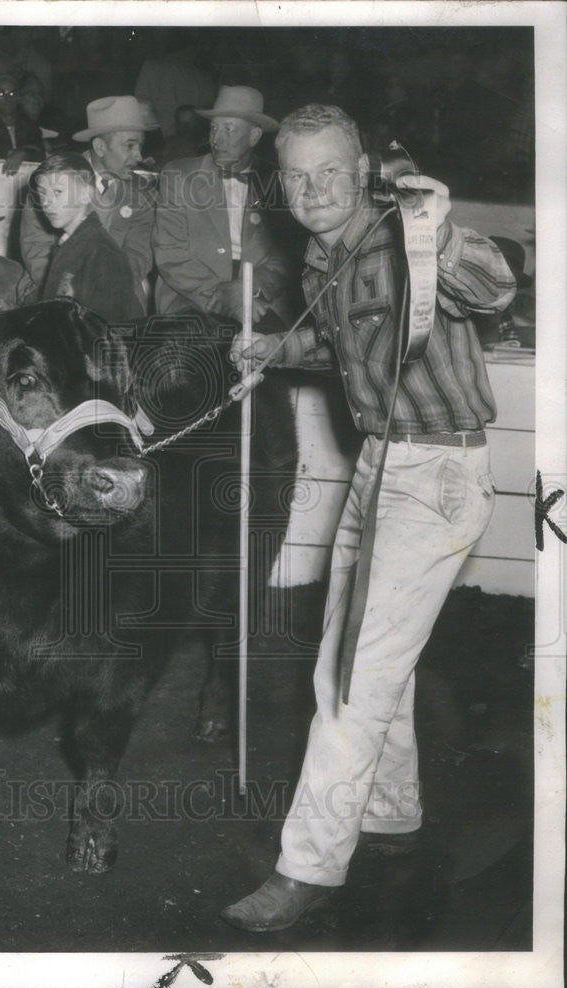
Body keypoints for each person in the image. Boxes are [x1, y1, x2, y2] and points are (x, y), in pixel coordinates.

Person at [220, 104, 516, 933]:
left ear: (361, 176)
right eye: (297, 175)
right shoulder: (324, 254)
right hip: (378, 465)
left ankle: (307, 868)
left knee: (351, 679)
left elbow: (493, 284)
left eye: (329, 173)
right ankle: (389, 818)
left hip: (437, 472)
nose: (313, 190)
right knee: (357, 664)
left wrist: (442, 227)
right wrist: (275, 352)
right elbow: (346, 348)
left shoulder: (402, 236)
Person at [152, 85, 299, 328]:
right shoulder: (178, 175)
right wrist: (224, 296)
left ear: (253, 136)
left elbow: (285, 257)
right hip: (191, 297)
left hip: (256, 296)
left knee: (275, 352)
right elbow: (170, 254)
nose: (216, 140)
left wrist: (248, 289)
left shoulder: (277, 182)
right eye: (213, 128)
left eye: (228, 129)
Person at [19, 96, 157, 311]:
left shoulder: (142, 194)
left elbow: (140, 254)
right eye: (129, 146)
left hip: (118, 290)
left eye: (140, 146)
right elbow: (36, 251)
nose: (138, 156)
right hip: (51, 288)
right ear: (100, 147)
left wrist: (105, 289)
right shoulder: (52, 180)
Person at [31, 153, 143, 322]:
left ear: (85, 195)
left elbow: (103, 333)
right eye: (42, 193)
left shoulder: (101, 253)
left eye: (58, 192)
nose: (46, 202)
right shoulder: (71, 243)